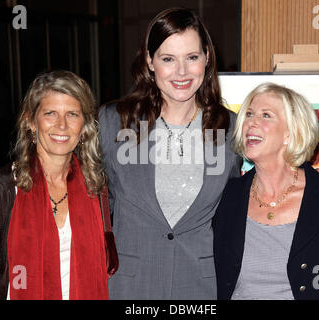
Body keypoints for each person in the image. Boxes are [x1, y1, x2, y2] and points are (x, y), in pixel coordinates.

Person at [98, 7, 241, 299]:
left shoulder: (230, 129)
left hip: (201, 287)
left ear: (207, 58)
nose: (182, 72)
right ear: (150, 62)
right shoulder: (115, 121)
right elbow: (93, 200)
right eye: (167, 59)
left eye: (192, 57)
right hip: (129, 286)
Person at [213, 82, 319, 300]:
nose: (251, 123)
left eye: (266, 115)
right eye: (248, 114)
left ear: (291, 132)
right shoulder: (228, 196)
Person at [0, 70, 111, 300]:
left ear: (84, 125)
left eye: (72, 114)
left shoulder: (96, 186)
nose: (62, 125)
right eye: (50, 113)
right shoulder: (0, 189)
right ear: (31, 121)